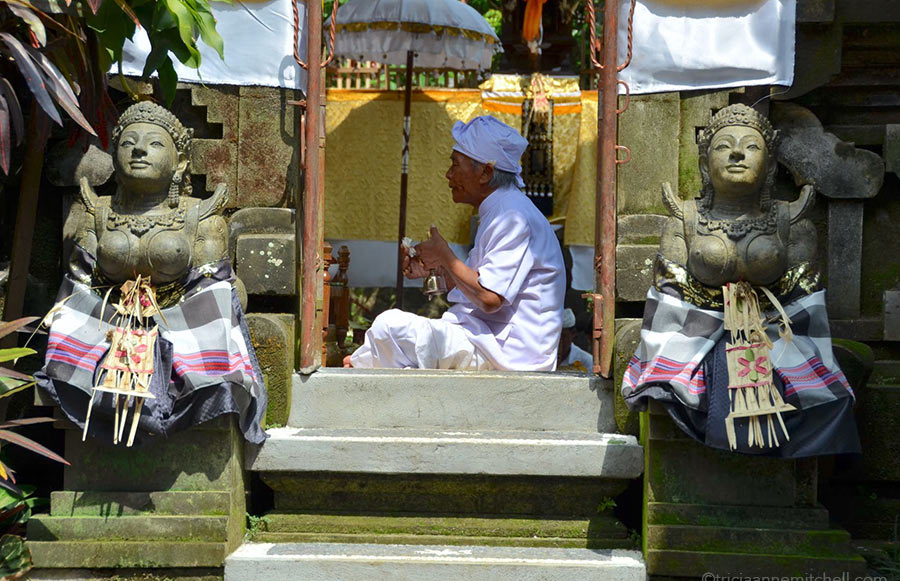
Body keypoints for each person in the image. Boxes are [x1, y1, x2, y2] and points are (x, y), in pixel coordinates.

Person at [622, 104, 859, 457]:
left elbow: (804, 300)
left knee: (820, 385)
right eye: (723, 146)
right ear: (705, 165)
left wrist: (753, 322)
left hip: (776, 330)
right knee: (677, 377)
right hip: (695, 330)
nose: (736, 153)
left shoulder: (793, 223)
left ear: (770, 165)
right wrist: (725, 316)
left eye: (751, 147)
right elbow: (669, 297)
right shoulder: (684, 222)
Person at [36, 101, 267, 445]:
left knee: (223, 305)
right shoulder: (97, 212)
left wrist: (161, 311)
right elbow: (80, 281)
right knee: (68, 321)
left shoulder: (199, 216)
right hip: (109, 319)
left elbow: (212, 282)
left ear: (180, 161)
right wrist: (123, 309)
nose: (140, 149)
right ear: (114, 157)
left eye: (155, 143)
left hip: (185, 317)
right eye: (128, 143)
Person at [345, 115, 565, 371]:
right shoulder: (499, 210)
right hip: (486, 340)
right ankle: (362, 364)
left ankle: (359, 365)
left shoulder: (512, 216)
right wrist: (435, 269)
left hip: (509, 354)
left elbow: (489, 297)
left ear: (485, 172)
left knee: (390, 325)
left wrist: (445, 256)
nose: (448, 174)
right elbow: (476, 283)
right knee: (396, 343)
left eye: (455, 164)